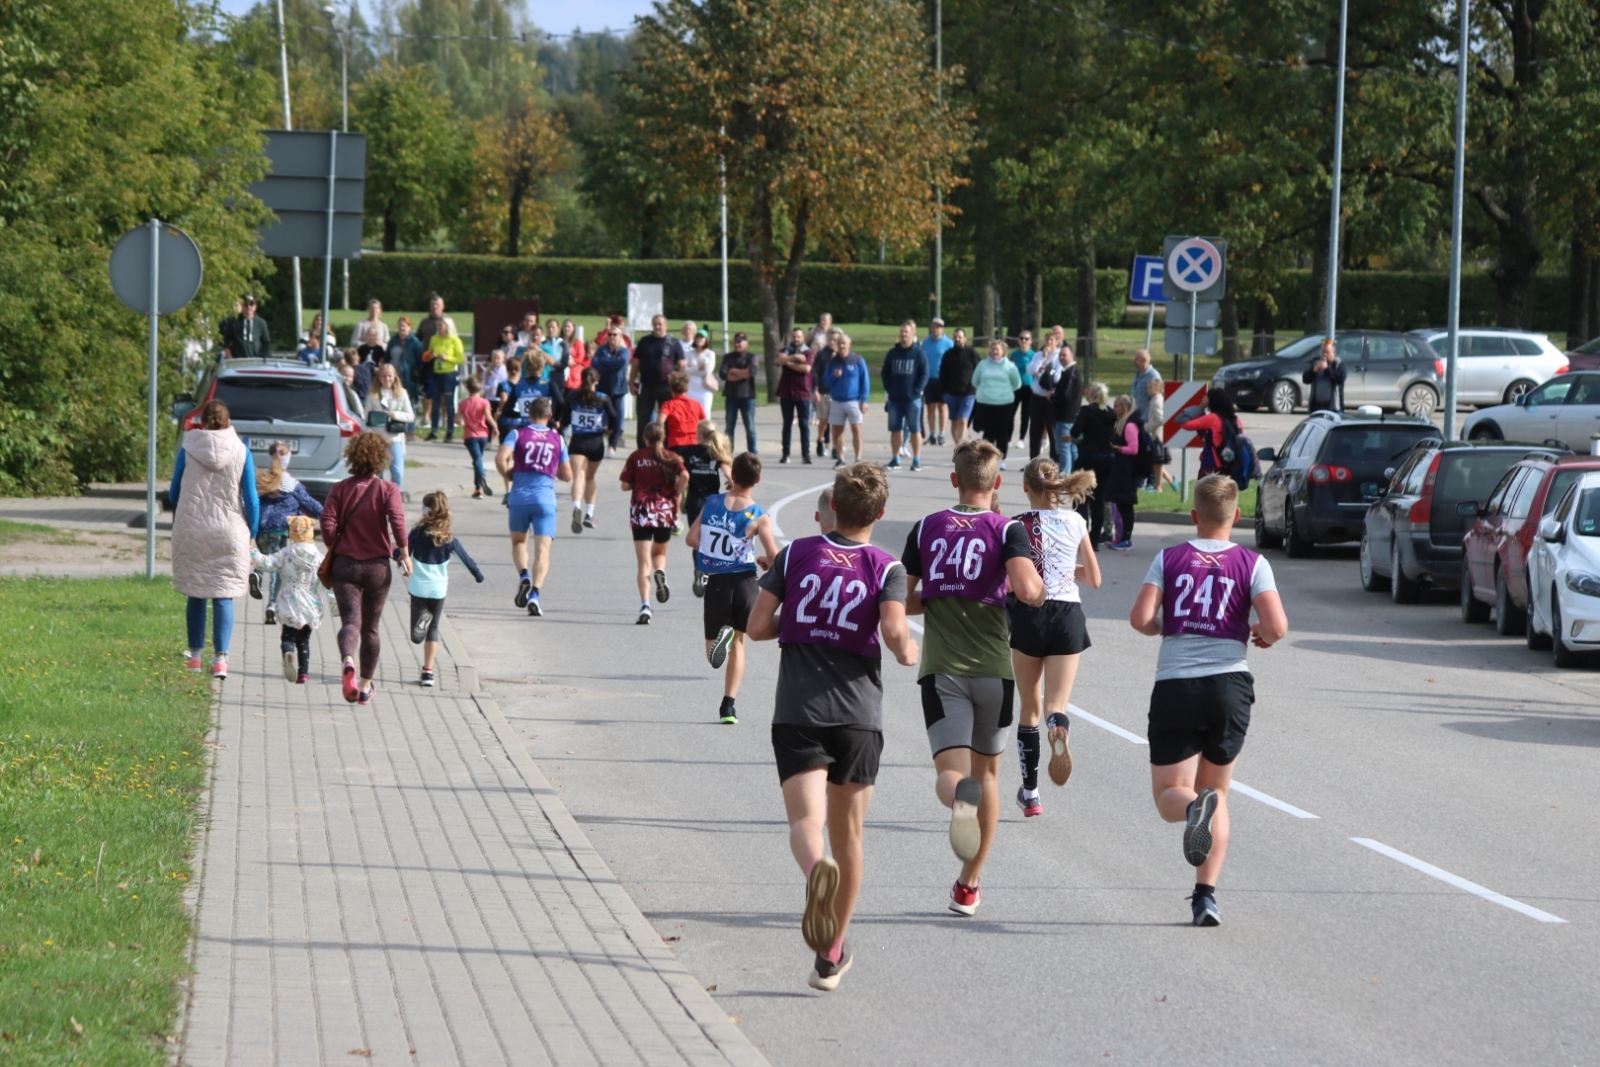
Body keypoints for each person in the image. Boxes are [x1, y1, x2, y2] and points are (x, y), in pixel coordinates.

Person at [744, 463, 918, 992]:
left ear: (831, 508)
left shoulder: (796, 553)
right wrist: (908, 649)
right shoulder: (885, 567)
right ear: (880, 515)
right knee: (851, 838)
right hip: (858, 717)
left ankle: (814, 868)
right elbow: (893, 627)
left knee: (806, 823)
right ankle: (830, 953)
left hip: (799, 711)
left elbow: (755, 628)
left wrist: (794, 620)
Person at [1128, 475, 1289, 927]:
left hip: (1178, 684)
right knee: (1216, 791)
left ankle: (1191, 810)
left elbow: (1140, 618)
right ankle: (1206, 897)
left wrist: (1164, 627)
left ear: (1194, 516)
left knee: (1168, 796)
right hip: (1230, 687)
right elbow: (1277, 625)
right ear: (1236, 516)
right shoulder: (1252, 563)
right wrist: (1260, 634)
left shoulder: (1170, 557)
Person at [901, 440, 1044, 916]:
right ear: (997, 483)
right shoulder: (1007, 531)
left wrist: (943, 593)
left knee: (951, 775)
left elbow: (905, 598)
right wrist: (1037, 589)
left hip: (943, 673)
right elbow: (1027, 589)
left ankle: (957, 799)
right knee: (988, 778)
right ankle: (969, 884)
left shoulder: (926, 528)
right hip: (995, 677)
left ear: (954, 481)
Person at [1009, 459, 1100, 817]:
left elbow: (1009, 578)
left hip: (1030, 614)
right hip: (1068, 616)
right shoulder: (1077, 521)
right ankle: (1057, 728)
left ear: (1026, 487)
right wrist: (1065, 567)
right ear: (1058, 486)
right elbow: (1093, 578)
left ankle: (1030, 793)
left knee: (1028, 706)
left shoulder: (1014, 526)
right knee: (1054, 706)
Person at [686, 452, 779, 725]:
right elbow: (773, 555)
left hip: (717, 581)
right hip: (746, 583)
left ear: (732, 475)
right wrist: (763, 559)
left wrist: (713, 550)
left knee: (712, 653)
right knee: (740, 643)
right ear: (758, 479)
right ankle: (729, 707)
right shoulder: (759, 515)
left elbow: (691, 539)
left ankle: (720, 641)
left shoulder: (712, 502)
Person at [320, 432, 411, 705]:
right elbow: (397, 520)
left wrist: (334, 544)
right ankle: (365, 686)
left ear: (352, 457)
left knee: (350, 622)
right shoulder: (388, 489)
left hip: (345, 565)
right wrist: (404, 554)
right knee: (370, 629)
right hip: (377, 568)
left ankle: (348, 659)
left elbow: (326, 523)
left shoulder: (340, 488)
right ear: (380, 458)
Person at [170, 401, 259, 678]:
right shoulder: (241, 451)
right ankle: (220, 660)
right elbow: (252, 499)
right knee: (223, 594)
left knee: (196, 592)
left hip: (193, 529)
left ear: (203, 421)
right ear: (228, 420)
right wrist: (252, 532)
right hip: (229, 530)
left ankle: (195, 657)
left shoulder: (188, 448)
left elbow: (174, 494)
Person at [497, 397, 572, 618]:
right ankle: (535, 595)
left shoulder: (517, 434)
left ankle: (523, 576)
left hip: (519, 497)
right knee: (543, 551)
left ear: (529, 415)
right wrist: (550, 467)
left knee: (519, 542)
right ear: (549, 417)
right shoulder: (558, 438)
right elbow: (568, 475)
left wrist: (508, 474)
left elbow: (501, 458)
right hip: (545, 499)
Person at [406, 491, 486, 687]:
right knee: (434, 629)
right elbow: (466, 560)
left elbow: (402, 553)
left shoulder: (416, 534)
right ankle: (428, 673)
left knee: (416, 636)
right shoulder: (449, 539)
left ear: (428, 510)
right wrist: (478, 575)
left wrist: (392, 555)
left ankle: (422, 621)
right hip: (438, 590)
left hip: (418, 588)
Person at [621, 422, 690, 624]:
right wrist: (675, 492)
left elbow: (625, 485)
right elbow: (685, 475)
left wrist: (636, 482)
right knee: (659, 553)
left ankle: (645, 605)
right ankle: (660, 572)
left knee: (643, 563)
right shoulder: (670, 457)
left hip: (642, 512)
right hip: (664, 512)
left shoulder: (636, 457)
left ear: (644, 438)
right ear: (663, 438)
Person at [250, 439, 323, 622]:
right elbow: (310, 504)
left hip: (261, 529)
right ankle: (272, 605)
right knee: (277, 567)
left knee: (263, 559)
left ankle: (257, 575)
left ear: (270, 457)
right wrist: (327, 515)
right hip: (281, 531)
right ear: (288, 459)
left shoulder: (262, 480)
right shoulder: (292, 484)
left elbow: (251, 502)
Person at [249, 515, 323, 683]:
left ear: (292, 533)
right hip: (310, 602)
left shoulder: (286, 552)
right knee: (304, 640)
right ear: (310, 533)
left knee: (288, 637)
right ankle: (303, 673)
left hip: (290, 602)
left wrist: (252, 553)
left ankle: (288, 652)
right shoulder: (318, 556)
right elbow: (328, 573)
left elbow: (268, 563)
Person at [681, 420, 733, 595]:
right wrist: (732, 482)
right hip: (713, 503)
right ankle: (710, 573)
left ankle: (699, 569)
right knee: (711, 539)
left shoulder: (688, 452)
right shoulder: (716, 452)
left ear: (698, 435)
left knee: (697, 539)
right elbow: (727, 471)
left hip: (694, 503)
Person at [564, 367, 612, 532]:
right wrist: (609, 428)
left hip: (578, 441)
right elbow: (614, 416)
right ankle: (589, 514)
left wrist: (562, 424)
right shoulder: (602, 398)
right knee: (590, 478)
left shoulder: (573, 396)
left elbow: (563, 417)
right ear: (596, 380)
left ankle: (576, 508)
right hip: (596, 442)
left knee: (578, 477)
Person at [1072, 383, 1119, 547]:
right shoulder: (1111, 414)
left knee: (1081, 497)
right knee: (1099, 499)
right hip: (1107, 457)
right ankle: (1094, 540)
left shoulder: (1086, 411)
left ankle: (1082, 538)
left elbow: (1075, 432)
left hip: (1088, 456)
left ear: (1091, 395)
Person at [630, 315, 686, 444]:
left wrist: (678, 385)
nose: (657, 327)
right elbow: (636, 362)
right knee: (643, 420)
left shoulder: (673, 343)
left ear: (666, 326)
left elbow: (682, 364)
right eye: (655, 324)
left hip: (667, 388)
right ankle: (643, 451)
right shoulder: (644, 341)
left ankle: (667, 450)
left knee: (667, 420)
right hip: (646, 386)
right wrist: (631, 382)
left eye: (660, 324)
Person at [881, 320, 928, 472]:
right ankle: (895, 458)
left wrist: (917, 390)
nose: (903, 334)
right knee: (895, 429)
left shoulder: (918, 353)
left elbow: (925, 373)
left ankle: (916, 459)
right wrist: (890, 389)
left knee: (915, 430)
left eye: (906, 332)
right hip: (895, 399)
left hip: (913, 400)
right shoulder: (892, 353)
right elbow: (885, 373)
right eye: (901, 332)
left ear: (912, 334)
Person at [972, 339, 1023, 466]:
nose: (995, 351)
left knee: (1002, 432)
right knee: (988, 432)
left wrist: (1004, 392)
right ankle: (986, 459)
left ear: (1003, 352)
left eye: (997, 349)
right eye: (993, 349)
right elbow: (975, 381)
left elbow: (1017, 384)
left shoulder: (1010, 366)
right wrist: (985, 391)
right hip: (985, 402)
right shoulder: (983, 364)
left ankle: (1002, 459)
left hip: (1004, 403)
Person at [1106, 394, 1147, 550]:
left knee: (1126, 505)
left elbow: (1134, 449)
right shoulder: (1122, 422)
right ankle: (1121, 537)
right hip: (1121, 468)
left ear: (1124, 408)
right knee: (1121, 504)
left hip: (1127, 470)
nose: (1114, 408)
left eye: (1116, 406)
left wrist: (1116, 448)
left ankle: (1126, 539)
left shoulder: (1129, 425)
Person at [824, 332, 870, 467]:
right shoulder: (832, 362)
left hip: (853, 401)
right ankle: (841, 458)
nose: (841, 346)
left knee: (856, 429)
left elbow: (865, 381)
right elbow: (825, 382)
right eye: (839, 343)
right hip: (837, 401)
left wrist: (864, 400)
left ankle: (858, 458)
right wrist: (833, 375)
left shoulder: (857, 360)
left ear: (849, 345)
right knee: (837, 430)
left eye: (844, 343)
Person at [1176, 390, 1244, 479]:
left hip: (1211, 464)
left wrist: (1200, 407)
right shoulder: (1237, 421)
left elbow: (1182, 421)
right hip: (1231, 466)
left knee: (1205, 492)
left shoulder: (1213, 418)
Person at [366, 363, 415, 487]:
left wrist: (395, 415)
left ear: (394, 377)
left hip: (395, 438)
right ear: (379, 378)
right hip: (377, 437)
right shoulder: (373, 394)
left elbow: (410, 416)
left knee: (398, 471)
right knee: (378, 472)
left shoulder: (401, 393)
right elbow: (366, 417)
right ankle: (379, 497)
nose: (387, 379)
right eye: (383, 376)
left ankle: (395, 497)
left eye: (389, 376)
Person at [775, 327, 815, 463]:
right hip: (786, 392)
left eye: (798, 337)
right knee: (787, 424)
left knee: (804, 425)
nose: (796, 339)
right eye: (793, 337)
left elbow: (806, 368)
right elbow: (777, 362)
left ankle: (806, 454)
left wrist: (787, 362)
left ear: (803, 338)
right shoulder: (784, 350)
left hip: (803, 393)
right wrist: (794, 358)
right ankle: (785, 453)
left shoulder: (808, 352)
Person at [424, 317, 465, 442]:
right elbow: (428, 354)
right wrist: (432, 355)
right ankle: (434, 431)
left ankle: (450, 432)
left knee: (448, 404)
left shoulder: (455, 340)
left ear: (448, 326)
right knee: (435, 403)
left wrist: (447, 358)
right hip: (436, 373)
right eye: (438, 325)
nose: (438, 327)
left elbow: (461, 359)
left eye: (441, 325)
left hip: (449, 374)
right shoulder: (434, 339)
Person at [591, 326, 632, 452]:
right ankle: (598, 442)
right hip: (603, 387)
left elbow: (622, 363)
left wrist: (605, 363)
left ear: (620, 337)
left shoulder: (624, 351)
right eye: (610, 334)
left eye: (615, 335)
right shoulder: (601, 350)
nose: (612, 337)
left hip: (618, 388)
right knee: (601, 415)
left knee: (616, 415)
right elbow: (594, 363)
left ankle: (612, 444)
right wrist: (612, 365)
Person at [939, 327, 980, 446]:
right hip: (951, 394)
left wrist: (976, 388)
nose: (957, 339)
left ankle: (961, 446)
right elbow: (942, 374)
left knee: (963, 420)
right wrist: (944, 393)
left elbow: (979, 370)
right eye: (955, 337)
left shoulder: (972, 353)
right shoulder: (948, 354)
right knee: (955, 422)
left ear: (965, 339)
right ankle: (958, 446)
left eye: (959, 337)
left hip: (968, 394)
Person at [721, 331, 758, 454]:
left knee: (750, 428)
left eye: (740, 342)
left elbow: (751, 373)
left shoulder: (752, 357)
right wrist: (743, 373)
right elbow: (723, 375)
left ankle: (752, 453)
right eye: (736, 341)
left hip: (747, 397)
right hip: (731, 397)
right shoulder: (728, 357)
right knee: (729, 427)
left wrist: (733, 371)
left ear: (746, 343)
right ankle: (728, 453)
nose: (738, 344)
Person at [415, 295, 449, 428]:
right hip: (428, 361)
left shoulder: (448, 321)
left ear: (443, 306)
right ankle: (426, 417)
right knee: (427, 390)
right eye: (432, 304)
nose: (434, 307)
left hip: (444, 362)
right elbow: (418, 339)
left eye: (437, 304)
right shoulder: (425, 322)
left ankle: (446, 418)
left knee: (443, 391)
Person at [1050, 336, 1083, 472]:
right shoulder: (1068, 371)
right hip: (1070, 416)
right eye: (1060, 355)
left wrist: (1052, 396)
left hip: (1066, 417)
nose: (1061, 357)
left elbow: (1064, 394)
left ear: (1072, 356)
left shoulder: (1071, 372)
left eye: (1065, 355)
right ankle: (1077, 473)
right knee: (1071, 448)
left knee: (1064, 448)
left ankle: (1065, 477)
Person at [458, 376, 494, 499]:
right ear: (481, 387)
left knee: (477, 460)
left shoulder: (463, 403)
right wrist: (495, 427)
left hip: (470, 436)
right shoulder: (485, 402)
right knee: (478, 460)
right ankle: (478, 487)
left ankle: (480, 483)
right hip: (483, 435)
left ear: (467, 389)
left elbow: (457, 419)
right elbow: (488, 418)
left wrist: (461, 423)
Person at [387, 317, 425, 432]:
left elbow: (421, 358)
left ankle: (410, 430)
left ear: (409, 327)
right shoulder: (393, 341)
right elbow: (387, 356)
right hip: (393, 378)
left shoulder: (414, 342)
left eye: (404, 326)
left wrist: (418, 372)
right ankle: (396, 427)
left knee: (410, 403)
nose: (402, 328)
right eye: (400, 325)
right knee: (394, 403)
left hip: (409, 378)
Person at [920, 318, 954, 445]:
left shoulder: (948, 343)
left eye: (938, 327)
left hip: (943, 379)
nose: (936, 329)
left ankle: (942, 434)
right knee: (930, 407)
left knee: (942, 406)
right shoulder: (926, 343)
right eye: (934, 327)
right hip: (928, 379)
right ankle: (932, 433)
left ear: (942, 329)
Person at [659, 370, 704, 451]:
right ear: (687, 389)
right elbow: (704, 422)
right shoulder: (696, 404)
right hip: (694, 442)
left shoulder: (668, 405)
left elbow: (660, 422)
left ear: (671, 390)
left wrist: (661, 437)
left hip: (676, 443)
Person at [1145, 374, 1175, 491]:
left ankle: (1159, 486)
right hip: (1156, 435)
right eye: (1148, 387)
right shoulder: (1155, 400)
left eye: (1151, 387)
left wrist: (1149, 426)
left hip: (1157, 435)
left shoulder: (1156, 401)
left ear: (1158, 388)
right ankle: (1170, 480)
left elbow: (1161, 419)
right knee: (1154, 462)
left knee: (1157, 462)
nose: (1148, 389)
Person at [1303, 337, 1347, 413]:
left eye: (1327, 352)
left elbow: (1341, 378)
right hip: (1317, 407)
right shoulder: (1316, 363)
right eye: (1323, 352)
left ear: (1334, 352)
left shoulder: (1339, 364)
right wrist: (1313, 371)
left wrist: (1326, 369)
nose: (1324, 354)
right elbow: (1305, 379)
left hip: (1334, 408)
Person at [220, 295, 271, 360]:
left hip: (256, 361)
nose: (248, 307)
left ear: (255, 307)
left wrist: (261, 357)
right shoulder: (234, 322)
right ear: (242, 306)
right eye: (246, 304)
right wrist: (230, 358)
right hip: (237, 361)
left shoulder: (261, 323)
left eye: (251, 304)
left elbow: (266, 343)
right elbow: (226, 342)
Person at [1009, 330, 1036, 446]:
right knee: (1010, 413)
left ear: (1031, 341)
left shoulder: (1033, 355)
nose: (1023, 341)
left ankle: (1021, 439)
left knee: (1025, 414)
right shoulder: (1014, 355)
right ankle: (1008, 438)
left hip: (1029, 388)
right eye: (1021, 338)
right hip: (1015, 388)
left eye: (1026, 339)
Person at [1130, 349, 1162, 422]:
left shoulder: (1154, 376)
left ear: (1143, 360)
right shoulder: (1137, 374)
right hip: (1135, 415)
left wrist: (1144, 418)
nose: (1134, 361)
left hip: (1146, 419)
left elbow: (1155, 399)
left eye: (1136, 359)